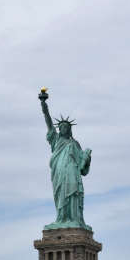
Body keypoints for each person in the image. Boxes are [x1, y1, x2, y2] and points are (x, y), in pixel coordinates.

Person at [39, 91, 92, 230]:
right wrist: (44, 106)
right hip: (59, 172)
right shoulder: (55, 140)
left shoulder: (74, 144)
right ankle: (61, 218)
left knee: (74, 193)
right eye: (61, 127)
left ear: (69, 130)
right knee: (61, 194)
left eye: (66, 127)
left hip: (72, 172)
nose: (63, 129)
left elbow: (83, 168)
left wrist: (87, 157)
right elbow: (49, 123)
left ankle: (75, 219)